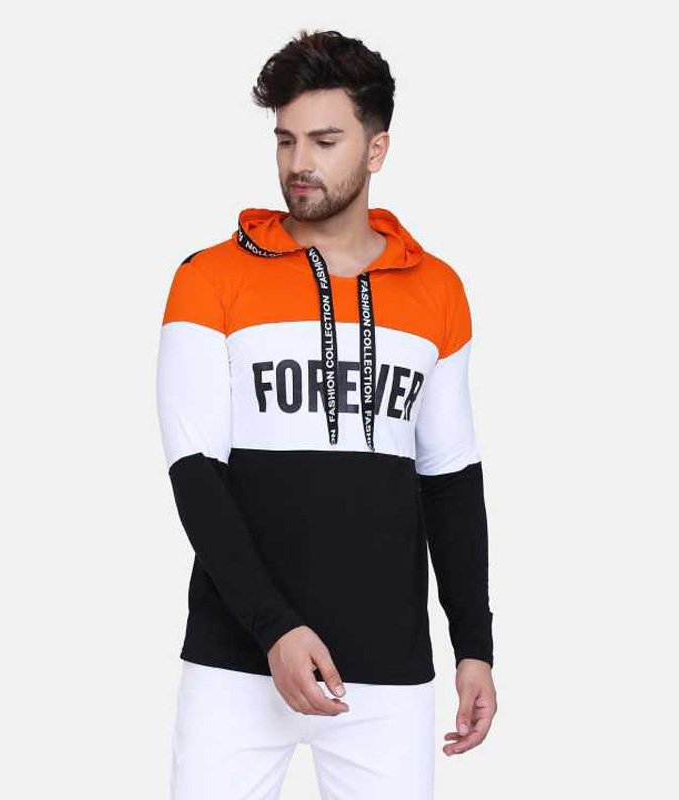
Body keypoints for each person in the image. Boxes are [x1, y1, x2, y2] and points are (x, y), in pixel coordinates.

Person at [156, 27, 497, 800]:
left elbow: (450, 482)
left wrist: (473, 646)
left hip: (387, 671)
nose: (298, 163)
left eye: (324, 140)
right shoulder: (208, 279)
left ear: (376, 150)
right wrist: (273, 629)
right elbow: (195, 475)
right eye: (285, 140)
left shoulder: (438, 291)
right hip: (237, 664)